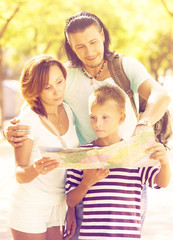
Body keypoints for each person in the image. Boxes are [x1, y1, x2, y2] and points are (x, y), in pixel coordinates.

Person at [4, 11, 171, 239]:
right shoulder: (65, 75)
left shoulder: (125, 66)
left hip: (128, 177)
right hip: (86, 178)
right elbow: (35, 108)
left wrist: (144, 123)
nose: (89, 52)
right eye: (79, 46)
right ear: (70, 46)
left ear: (102, 35)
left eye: (93, 42)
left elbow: (160, 94)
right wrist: (11, 128)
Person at [65, 85, 171, 240]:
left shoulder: (135, 152)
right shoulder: (82, 155)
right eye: (93, 117)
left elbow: (161, 182)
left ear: (121, 118)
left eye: (105, 117)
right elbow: (70, 200)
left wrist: (165, 163)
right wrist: (86, 183)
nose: (98, 124)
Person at [8, 55, 79, 240]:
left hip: (59, 204)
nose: (57, 91)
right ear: (36, 90)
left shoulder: (69, 111)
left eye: (59, 82)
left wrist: (70, 209)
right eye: (48, 87)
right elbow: (20, 173)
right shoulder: (28, 119)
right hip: (31, 205)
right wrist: (36, 168)